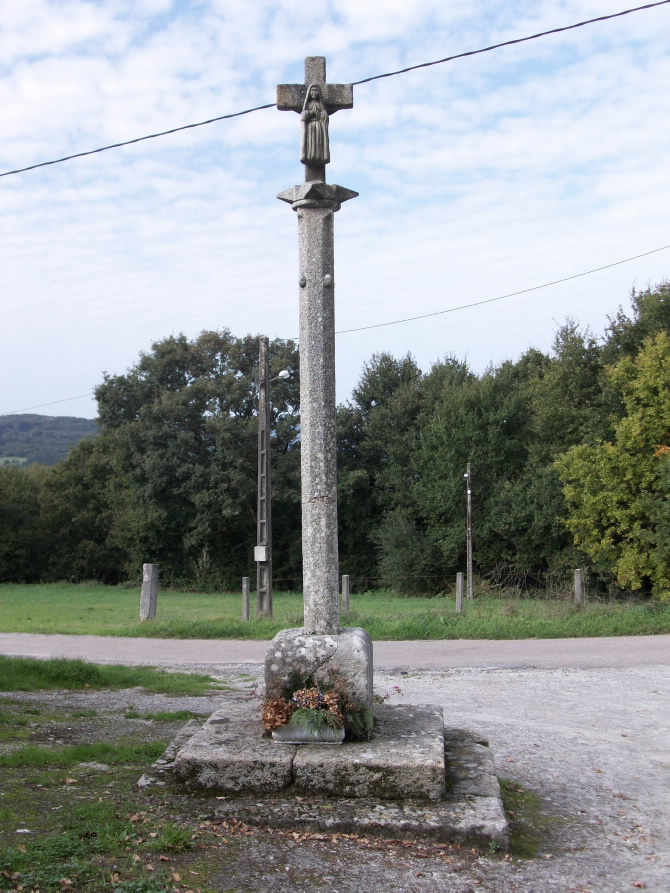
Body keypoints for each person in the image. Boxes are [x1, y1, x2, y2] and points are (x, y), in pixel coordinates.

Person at [300, 84, 330, 166]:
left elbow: (325, 115)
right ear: (309, 92)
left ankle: (319, 156)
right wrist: (309, 113)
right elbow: (303, 115)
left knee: (318, 142)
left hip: (318, 127)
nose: (314, 92)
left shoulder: (320, 104)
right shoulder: (308, 104)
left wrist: (319, 115)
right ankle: (310, 155)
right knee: (311, 143)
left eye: (316, 90)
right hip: (310, 127)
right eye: (312, 90)